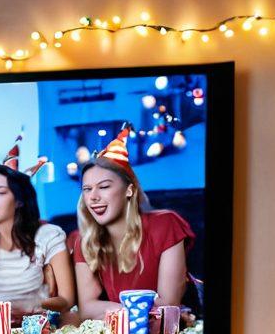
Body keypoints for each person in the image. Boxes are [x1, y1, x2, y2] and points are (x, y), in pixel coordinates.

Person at [71, 127, 195, 322]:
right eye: (87, 189)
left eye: (104, 187)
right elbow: (87, 308)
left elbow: (168, 305)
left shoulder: (165, 224)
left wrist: (112, 312)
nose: (93, 197)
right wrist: (136, 311)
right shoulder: (84, 241)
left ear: (129, 190)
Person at [0, 165, 75, 320]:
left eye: (0, 192)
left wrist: (31, 305)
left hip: (36, 326)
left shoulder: (48, 236)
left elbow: (67, 300)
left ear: (19, 201)